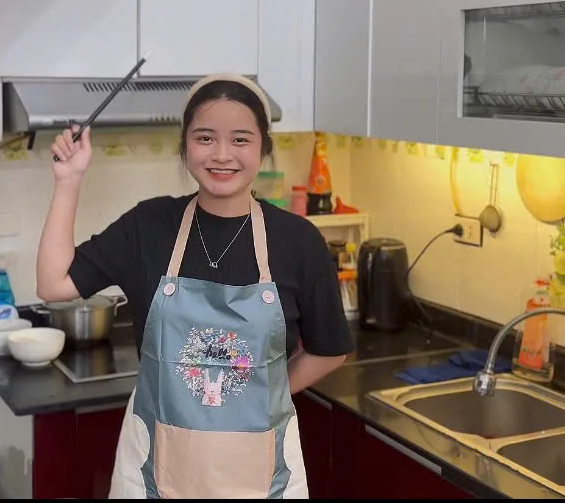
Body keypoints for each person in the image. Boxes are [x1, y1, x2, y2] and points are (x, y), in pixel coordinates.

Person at [36, 72, 355, 499]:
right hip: (154, 472)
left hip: (263, 477)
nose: (222, 155)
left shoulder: (298, 241)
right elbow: (53, 284)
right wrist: (68, 181)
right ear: (185, 146)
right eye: (205, 138)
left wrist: (258, 390)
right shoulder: (149, 226)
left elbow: (330, 349)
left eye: (240, 139)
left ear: (263, 148)